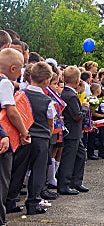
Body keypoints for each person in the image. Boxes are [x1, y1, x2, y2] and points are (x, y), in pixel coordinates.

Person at [11, 62, 55, 215]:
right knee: (38, 170)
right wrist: (48, 133)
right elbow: (50, 121)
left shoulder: (21, 94)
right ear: (47, 81)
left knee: (18, 169)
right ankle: (33, 203)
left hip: (23, 136)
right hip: (41, 138)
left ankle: (10, 200)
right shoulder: (47, 100)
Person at [0, 48, 29, 224]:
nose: (21, 73)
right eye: (20, 69)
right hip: (4, 137)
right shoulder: (4, 83)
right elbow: (11, 111)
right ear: (12, 68)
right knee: (2, 181)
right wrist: (24, 131)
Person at [58, 66, 89, 195]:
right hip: (72, 131)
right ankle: (64, 184)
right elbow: (77, 116)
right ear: (77, 81)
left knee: (81, 155)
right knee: (69, 158)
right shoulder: (70, 95)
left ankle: (76, 181)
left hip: (74, 132)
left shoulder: (67, 93)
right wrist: (85, 108)